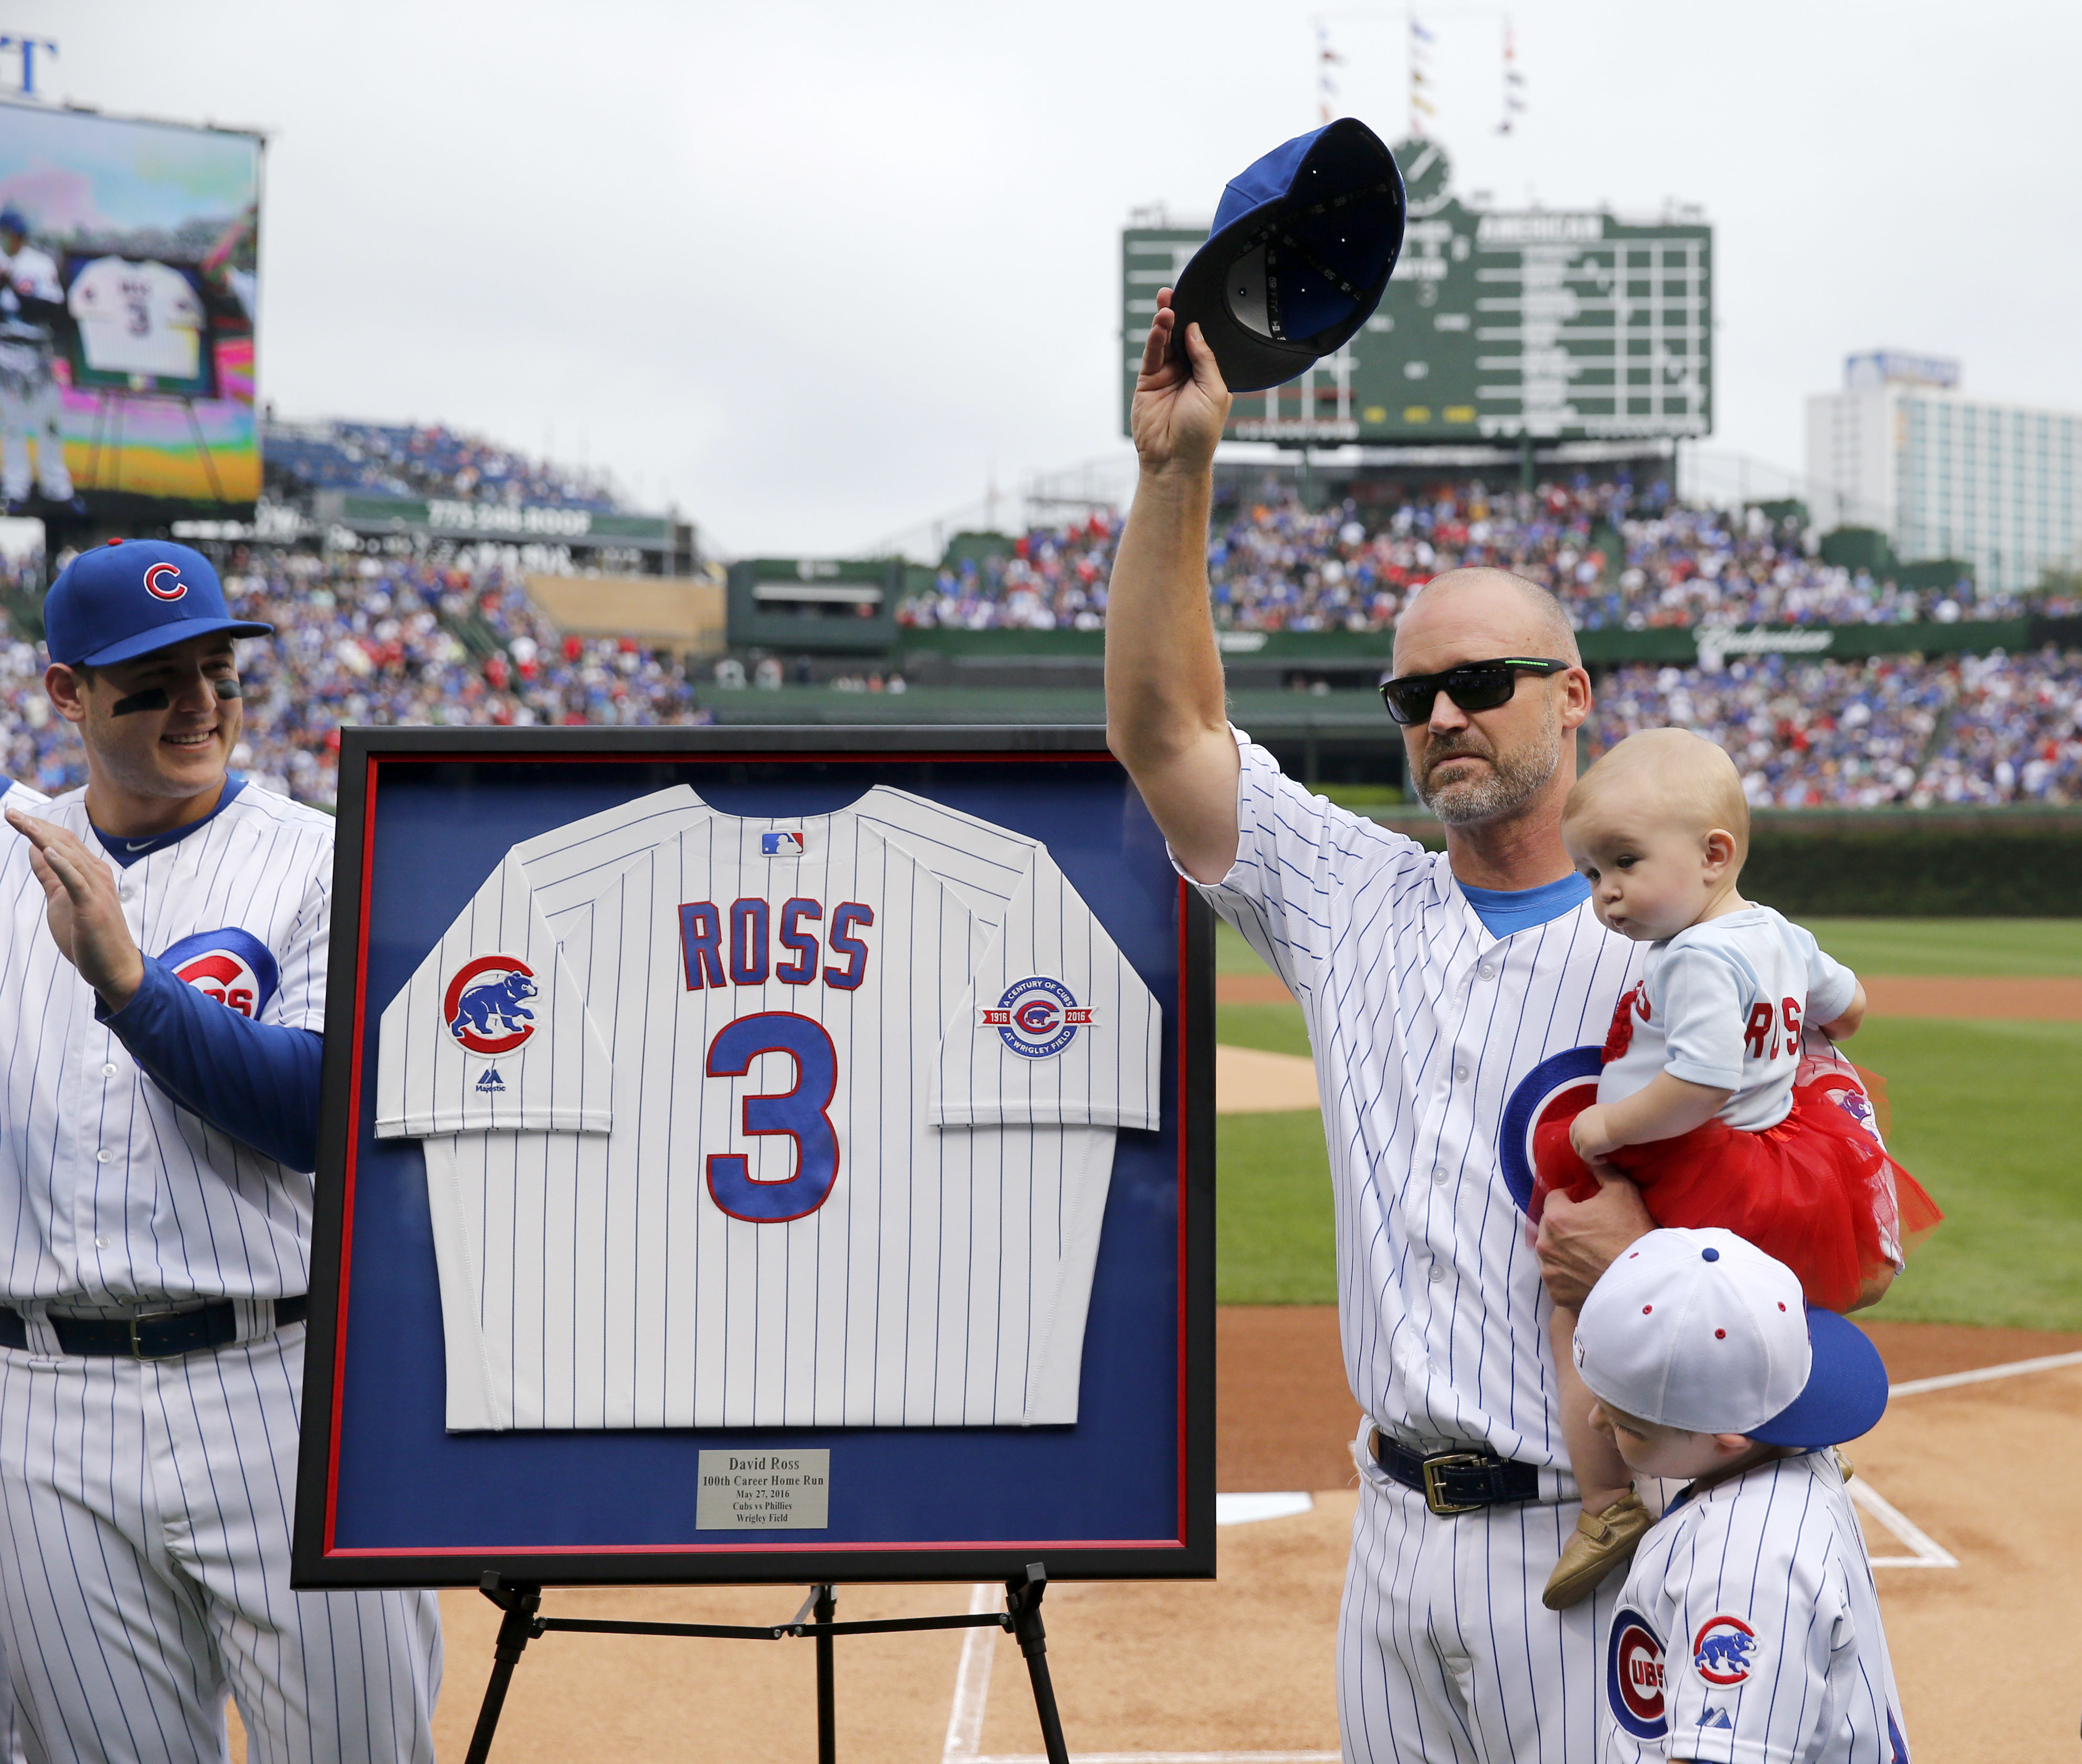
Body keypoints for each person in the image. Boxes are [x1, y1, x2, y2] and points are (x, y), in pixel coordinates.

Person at [1106, 291, 1658, 1761]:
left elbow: (1831, 1252)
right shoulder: (1350, 895)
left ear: (1569, 695)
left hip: (1597, 1551)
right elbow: (1165, 735)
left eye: (1479, 683)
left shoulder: (1680, 957)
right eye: (1413, 693)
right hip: (1392, 1543)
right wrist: (1174, 472)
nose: (1442, 716)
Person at [0, 539, 441, 1762]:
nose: (200, 704)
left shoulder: (323, 856)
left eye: (219, 670)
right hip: (44, 1401)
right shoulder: (5, 860)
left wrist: (133, 987)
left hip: (282, 1387)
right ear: (66, 694)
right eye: (153, 679)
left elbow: (316, 1111)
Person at [1529, 728, 1942, 1609]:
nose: (1606, 894)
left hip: (1698, 1155)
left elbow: (1698, 1083)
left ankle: (1604, 1500)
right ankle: (1787, 1429)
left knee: (1578, 1292)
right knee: (1754, 1310)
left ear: (1714, 856)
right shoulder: (1779, 937)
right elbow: (1853, 1007)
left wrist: (1601, 1129)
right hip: (1781, 1155)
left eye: (1624, 864)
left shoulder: (1696, 958)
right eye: (1593, 872)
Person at [1574, 1227, 1909, 1762]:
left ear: (1727, 1438)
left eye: (1626, 1424)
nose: (1594, 1423)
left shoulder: (1745, 1559)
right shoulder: (1791, 1458)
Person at [0, 208, 76, 511]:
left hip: (37, 349)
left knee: (49, 421)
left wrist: (14, 288)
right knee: (12, 423)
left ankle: (57, 488)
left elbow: (51, 310)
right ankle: (15, 488)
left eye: (10, 234)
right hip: (5, 349)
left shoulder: (39, 264)